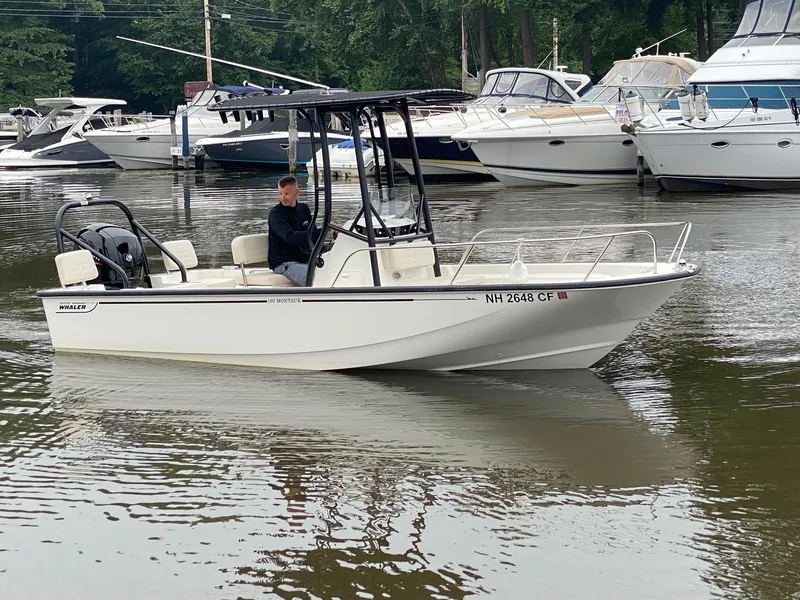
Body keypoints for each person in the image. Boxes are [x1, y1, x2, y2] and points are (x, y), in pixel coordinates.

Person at [267, 175, 321, 286]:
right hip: (285, 262)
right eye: (280, 194)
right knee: (317, 278)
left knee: (335, 271)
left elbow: (312, 234)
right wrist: (323, 231)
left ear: (297, 192)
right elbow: (291, 237)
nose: (282, 198)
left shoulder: (303, 209)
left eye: (286, 194)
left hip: (305, 259)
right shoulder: (276, 214)